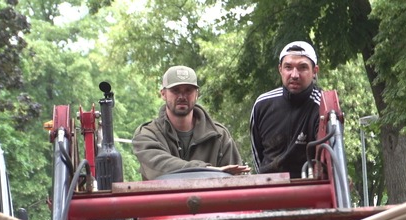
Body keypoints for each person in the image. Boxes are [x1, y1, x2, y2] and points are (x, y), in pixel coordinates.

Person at [132, 65, 250, 180]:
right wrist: (209, 170)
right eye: (175, 90)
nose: (182, 96)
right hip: (164, 200)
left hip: (209, 200)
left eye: (188, 90)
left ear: (197, 94)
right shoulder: (147, 135)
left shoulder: (219, 136)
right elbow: (161, 166)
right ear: (163, 94)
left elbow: (236, 181)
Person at [250, 41, 322, 178]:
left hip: (309, 191)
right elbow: (257, 155)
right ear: (280, 70)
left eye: (302, 67)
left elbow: (328, 157)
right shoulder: (262, 105)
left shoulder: (322, 107)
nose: (294, 75)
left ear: (314, 71)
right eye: (288, 67)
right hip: (269, 189)